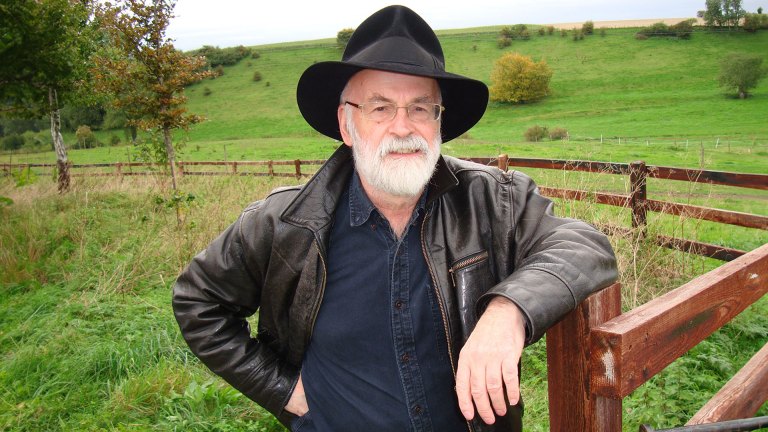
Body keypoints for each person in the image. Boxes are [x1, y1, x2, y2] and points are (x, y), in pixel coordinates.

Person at [173, 5, 617, 432]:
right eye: (381, 108)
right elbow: (198, 301)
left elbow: (586, 247)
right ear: (347, 126)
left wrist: (508, 309)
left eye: (421, 108)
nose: (403, 127)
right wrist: (282, 389)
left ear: (439, 121)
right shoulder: (285, 222)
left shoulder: (492, 198)